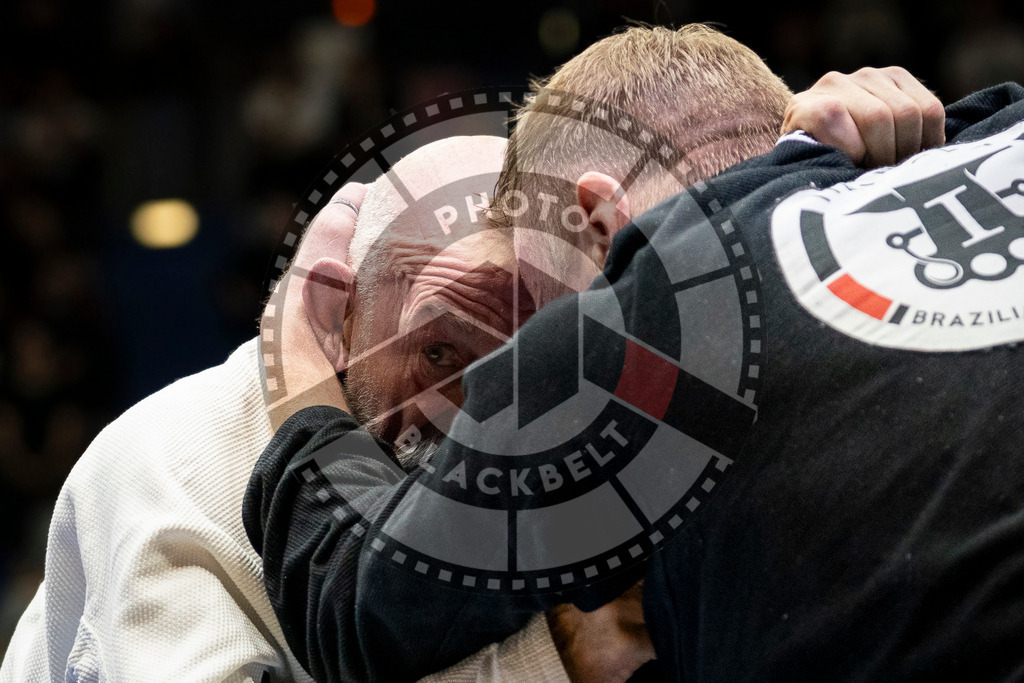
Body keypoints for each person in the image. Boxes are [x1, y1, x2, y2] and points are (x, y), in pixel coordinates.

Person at [244, 24, 949, 683]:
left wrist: (297, 358)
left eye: (551, 310)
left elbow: (354, 604)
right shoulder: (957, 165)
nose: (545, 346)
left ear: (601, 224)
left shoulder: (622, 361)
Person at [0, 136, 570, 682]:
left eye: (519, 374)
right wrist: (556, 663)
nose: (471, 417)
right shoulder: (172, 469)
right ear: (337, 317)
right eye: (439, 354)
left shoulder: (547, 469)